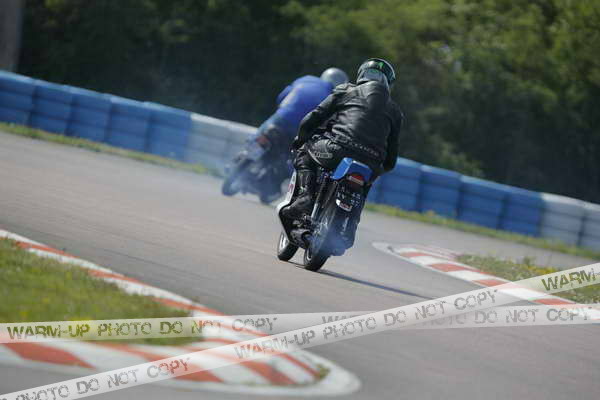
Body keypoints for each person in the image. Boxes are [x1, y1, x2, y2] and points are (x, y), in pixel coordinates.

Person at [282, 58, 404, 219]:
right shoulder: (396, 111)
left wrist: (300, 140)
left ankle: (305, 198)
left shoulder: (346, 90)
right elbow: (391, 157)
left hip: (337, 150)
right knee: (365, 184)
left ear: (361, 75)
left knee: (305, 150)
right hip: (371, 162)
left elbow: (314, 117)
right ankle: (353, 221)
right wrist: (378, 170)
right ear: (388, 83)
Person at [250, 68, 349, 196]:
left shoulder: (306, 79)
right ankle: (273, 182)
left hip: (280, 117)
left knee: (262, 132)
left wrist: (284, 109)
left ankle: (248, 148)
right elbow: (328, 121)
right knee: (294, 158)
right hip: (299, 128)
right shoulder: (332, 96)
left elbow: (282, 96)